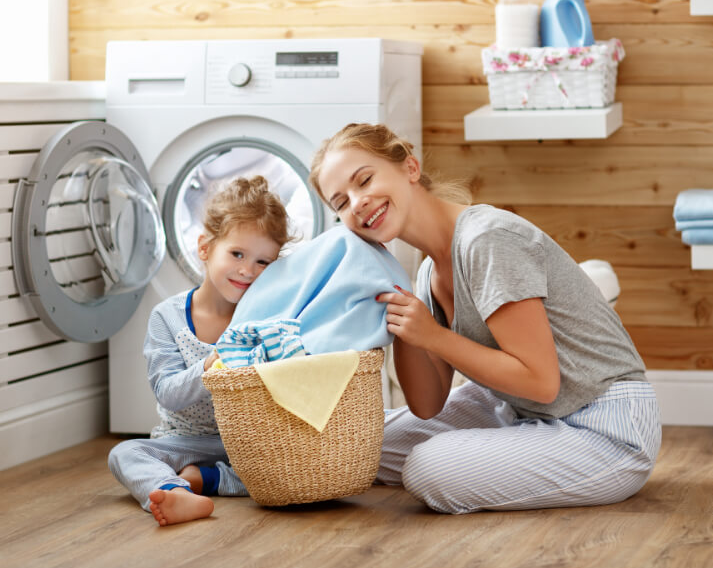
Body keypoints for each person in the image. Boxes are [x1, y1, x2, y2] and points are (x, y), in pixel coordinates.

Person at [310, 123, 662, 514]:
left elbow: (542, 383)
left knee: (428, 467)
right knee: (355, 445)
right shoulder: (427, 273)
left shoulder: (486, 239)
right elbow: (427, 405)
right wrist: (401, 312)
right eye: (341, 203)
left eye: (364, 180)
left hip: (604, 426)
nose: (357, 202)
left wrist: (433, 336)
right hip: (516, 409)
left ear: (410, 168)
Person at [108, 176, 291, 525]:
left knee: (295, 461)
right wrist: (210, 365)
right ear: (205, 248)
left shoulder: (266, 319)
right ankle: (174, 490)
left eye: (263, 262)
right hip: (183, 441)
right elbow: (167, 394)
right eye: (237, 254)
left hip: (247, 443)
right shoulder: (167, 317)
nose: (247, 271)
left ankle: (203, 480)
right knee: (124, 453)